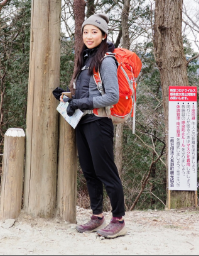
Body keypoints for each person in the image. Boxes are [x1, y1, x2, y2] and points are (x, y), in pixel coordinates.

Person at [52, 13, 126, 239]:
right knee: (89, 171)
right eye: (86, 32)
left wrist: (80, 102)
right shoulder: (85, 60)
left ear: (104, 35)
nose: (89, 36)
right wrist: (65, 96)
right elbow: (85, 92)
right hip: (82, 122)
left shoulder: (106, 60)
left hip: (99, 121)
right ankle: (97, 215)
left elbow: (112, 96)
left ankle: (118, 219)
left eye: (94, 32)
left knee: (106, 172)